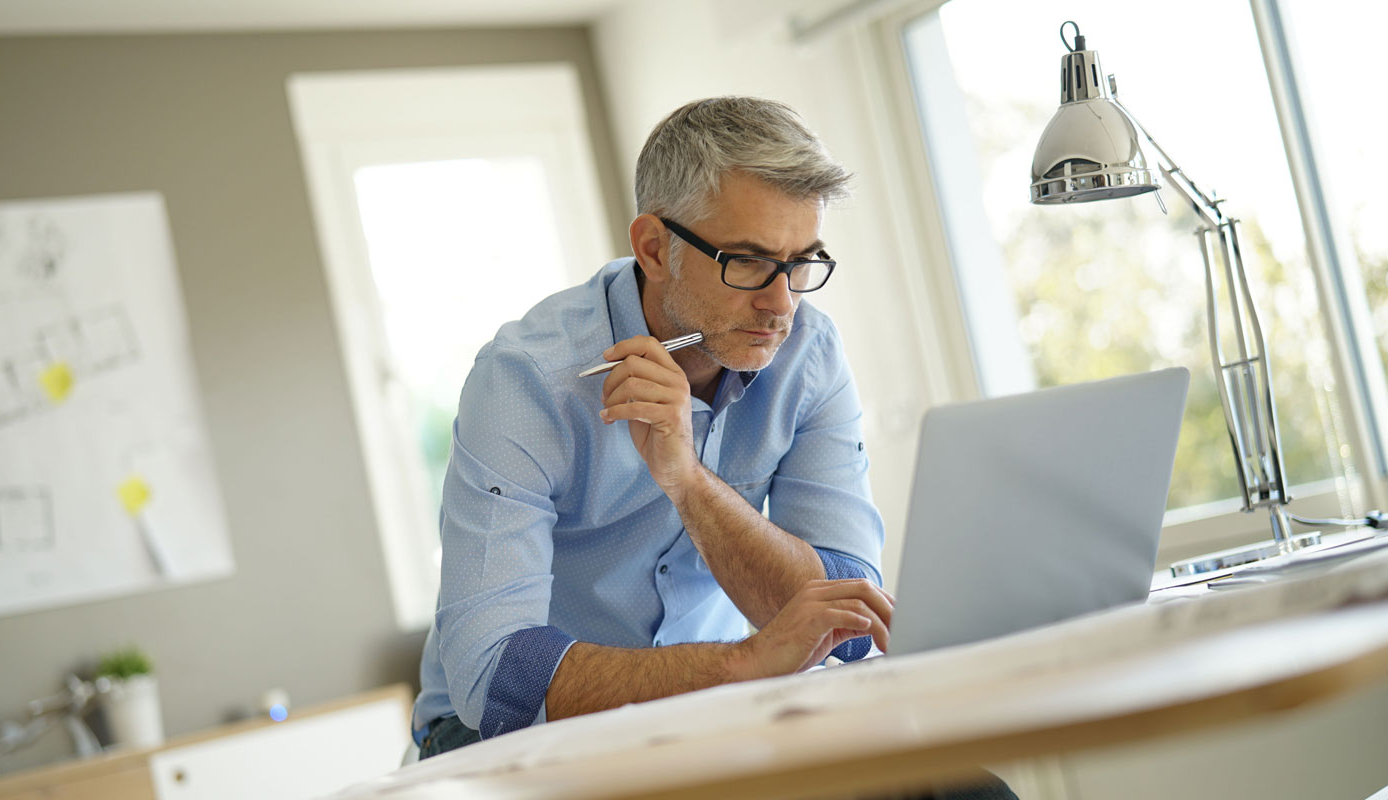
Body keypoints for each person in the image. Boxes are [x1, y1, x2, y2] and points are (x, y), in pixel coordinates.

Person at [410, 96, 1015, 800]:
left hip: (714, 714)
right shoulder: (524, 383)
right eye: (751, 263)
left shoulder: (807, 355)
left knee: (965, 793)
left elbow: (847, 624)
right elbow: (497, 677)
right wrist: (744, 664)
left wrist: (688, 481)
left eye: (802, 262)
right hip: (504, 746)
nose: (782, 302)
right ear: (654, 248)